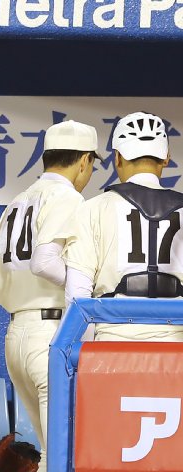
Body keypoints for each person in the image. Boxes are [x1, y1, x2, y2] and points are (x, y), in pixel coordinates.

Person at [0, 120, 100, 472]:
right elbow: (43, 262)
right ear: (84, 161)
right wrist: (86, 283)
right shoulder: (67, 197)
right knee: (64, 454)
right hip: (50, 331)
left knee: (51, 455)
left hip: (16, 333)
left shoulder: (19, 200)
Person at [65, 111, 183, 341]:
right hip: (176, 345)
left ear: (117, 158)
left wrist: (88, 355)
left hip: (113, 343)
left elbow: (77, 294)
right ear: (167, 157)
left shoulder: (93, 208)